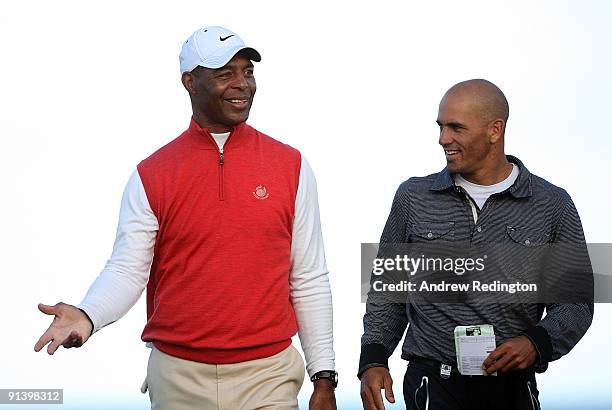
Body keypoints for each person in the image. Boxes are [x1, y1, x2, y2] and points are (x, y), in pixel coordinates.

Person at [34, 25, 337, 410]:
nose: (242, 84)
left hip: (268, 375)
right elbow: (128, 269)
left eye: (248, 71)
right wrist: (88, 315)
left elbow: (308, 276)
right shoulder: (152, 174)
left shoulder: (291, 166)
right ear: (189, 82)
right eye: (225, 73)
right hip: (178, 378)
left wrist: (323, 376)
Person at [358, 79, 593, 409]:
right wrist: (373, 358)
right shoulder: (412, 197)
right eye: (440, 127)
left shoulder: (553, 204)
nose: (443, 139)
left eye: (456, 128)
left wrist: (537, 342)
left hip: (512, 387)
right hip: (431, 384)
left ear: (495, 130)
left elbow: (576, 303)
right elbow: (387, 290)